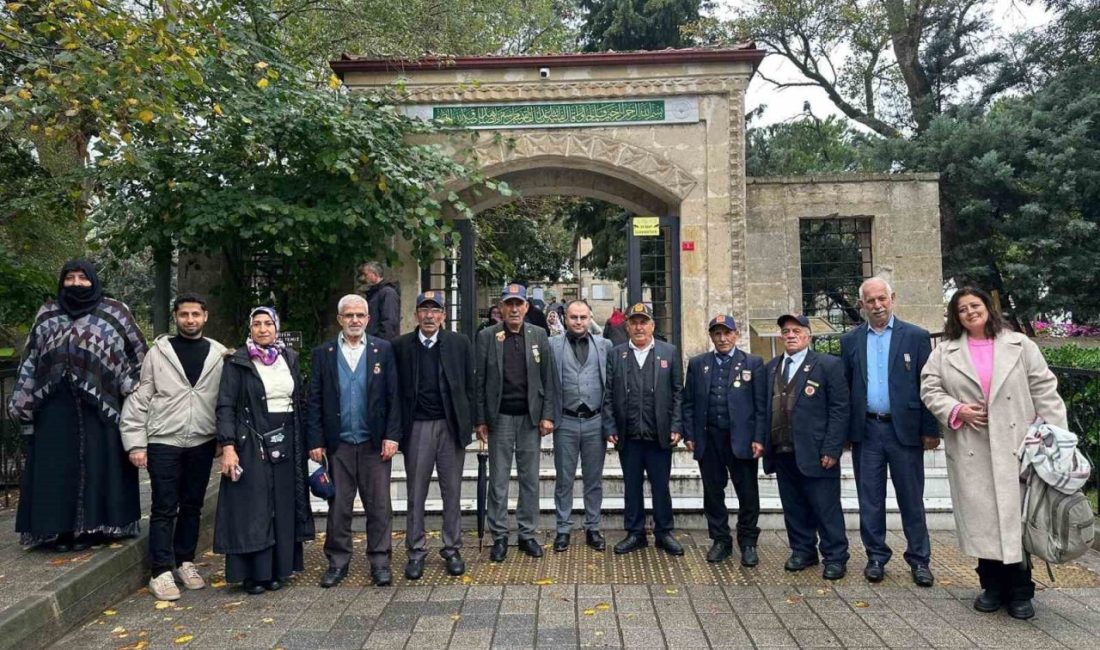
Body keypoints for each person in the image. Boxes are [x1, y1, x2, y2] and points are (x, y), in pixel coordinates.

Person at [921, 287, 1067, 620]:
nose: (970, 312)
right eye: (962, 309)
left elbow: (1044, 388)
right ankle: (991, 586)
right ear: (955, 317)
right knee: (983, 521)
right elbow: (929, 388)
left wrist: (1056, 436)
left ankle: (1020, 591)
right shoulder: (945, 352)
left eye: (975, 305)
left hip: (1017, 447)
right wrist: (958, 409)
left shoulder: (1020, 344)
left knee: (1017, 521)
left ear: (988, 308)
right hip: (973, 447)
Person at [10, 260, 146, 551]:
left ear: (93, 280)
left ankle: (95, 528)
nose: (75, 283)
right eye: (69, 278)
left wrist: (130, 388)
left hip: (102, 404)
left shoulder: (115, 311)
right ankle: (58, 530)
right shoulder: (48, 312)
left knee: (102, 464)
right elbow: (31, 357)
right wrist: (24, 398)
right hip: (54, 402)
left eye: (82, 278)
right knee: (57, 467)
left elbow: (138, 354)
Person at [120, 294, 226, 601]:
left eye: (195, 314)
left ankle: (184, 561)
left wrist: (222, 439)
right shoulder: (159, 353)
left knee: (193, 504)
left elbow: (224, 401)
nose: (190, 320)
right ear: (175, 317)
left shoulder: (218, 354)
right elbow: (141, 398)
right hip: (163, 440)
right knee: (164, 506)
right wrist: (136, 444)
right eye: (184, 314)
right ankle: (160, 570)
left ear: (205, 316)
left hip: (202, 441)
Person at [840, 278, 938, 587]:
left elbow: (929, 386)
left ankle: (919, 560)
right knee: (870, 498)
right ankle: (876, 557)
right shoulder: (850, 341)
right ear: (862, 305)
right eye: (870, 301)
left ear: (892, 298)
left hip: (904, 431)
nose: (877, 305)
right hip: (867, 430)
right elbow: (845, 388)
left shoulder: (917, 337)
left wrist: (930, 429)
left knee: (912, 498)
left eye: (882, 298)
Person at [214, 307, 314, 594]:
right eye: (256, 324)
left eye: (268, 323)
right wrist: (228, 446)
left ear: (276, 327)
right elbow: (225, 405)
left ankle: (278, 570)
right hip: (251, 441)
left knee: (282, 505)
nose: (262, 329)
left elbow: (299, 400)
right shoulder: (238, 362)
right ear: (250, 328)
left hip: (287, 439)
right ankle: (253, 574)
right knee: (254, 507)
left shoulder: (289, 358)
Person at [307, 295, 401, 588]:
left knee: (379, 506)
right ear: (340, 319)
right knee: (339, 507)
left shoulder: (382, 350)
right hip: (339, 445)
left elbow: (394, 396)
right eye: (349, 315)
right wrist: (316, 439)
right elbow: (314, 400)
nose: (355, 320)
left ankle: (380, 561)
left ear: (368, 319)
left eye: (360, 315)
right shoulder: (324, 353)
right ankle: (337, 562)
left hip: (374, 444)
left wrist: (392, 435)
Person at [392, 291, 474, 579]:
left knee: (452, 491)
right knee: (416, 492)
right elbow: (395, 392)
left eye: (435, 310)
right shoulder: (401, 346)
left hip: (450, 427)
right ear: (416, 315)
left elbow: (469, 385)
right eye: (424, 310)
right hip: (417, 427)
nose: (429, 316)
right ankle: (415, 552)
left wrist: (472, 423)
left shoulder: (459, 343)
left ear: (443, 315)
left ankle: (451, 548)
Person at [763, 314, 850, 580]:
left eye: (796, 330)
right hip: (782, 449)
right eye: (786, 331)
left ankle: (835, 556)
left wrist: (832, 448)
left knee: (825, 506)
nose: (790, 335)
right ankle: (803, 550)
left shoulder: (828, 365)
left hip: (816, 451)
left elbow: (839, 408)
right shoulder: (771, 368)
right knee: (793, 505)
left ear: (808, 335)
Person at [475, 283, 556, 562]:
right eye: (508, 304)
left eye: (518, 304)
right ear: (500, 307)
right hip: (499, 419)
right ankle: (499, 536)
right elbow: (479, 381)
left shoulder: (539, 335)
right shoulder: (487, 336)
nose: (513, 309)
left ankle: (527, 534)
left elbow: (549, 378)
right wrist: (481, 419)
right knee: (498, 481)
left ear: (526, 307)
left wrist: (547, 415)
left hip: (530, 419)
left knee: (529, 479)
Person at [682, 314, 766, 566]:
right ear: (711, 336)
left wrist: (759, 437)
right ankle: (720, 540)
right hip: (709, 439)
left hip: (741, 439)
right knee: (713, 493)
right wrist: (689, 434)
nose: (722, 338)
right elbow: (688, 403)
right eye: (717, 333)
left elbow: (761, 406)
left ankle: (748, 542)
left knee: (748, 493)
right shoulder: (698, 364)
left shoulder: (753, 363)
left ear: (735, 334)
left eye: (726, 332)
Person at [604, 302, 684, 557]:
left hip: (659, 432)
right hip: (628, 434)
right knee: (632, 485)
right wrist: (610, 426)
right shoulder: (616, 354)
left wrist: (676, 425)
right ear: (626, 325)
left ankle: (664, 533)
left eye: (643, 322)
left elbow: (678, 394)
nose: (639, 327)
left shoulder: (669, 352)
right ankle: (635, 533)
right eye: (634, 322)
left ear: (652, 325)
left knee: (661, 485)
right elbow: (608, 394)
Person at [548, 300, 613, 552]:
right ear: (565, 318)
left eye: (583, 317)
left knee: (593, 479)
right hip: (565, 421)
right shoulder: (552, 345)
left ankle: (593, 528)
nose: (578, 322)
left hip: (596, 421)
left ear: (590, 318)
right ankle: (562, 529)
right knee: (564, 479)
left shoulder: (605, 346)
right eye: (573, 317)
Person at [359, 261, 401, 340]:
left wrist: (382, 344)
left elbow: (389, 322)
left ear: (374, 274)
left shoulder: (388, 293)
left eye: (366, 274)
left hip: (381, 343)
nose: (363, 278)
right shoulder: (375, 293)